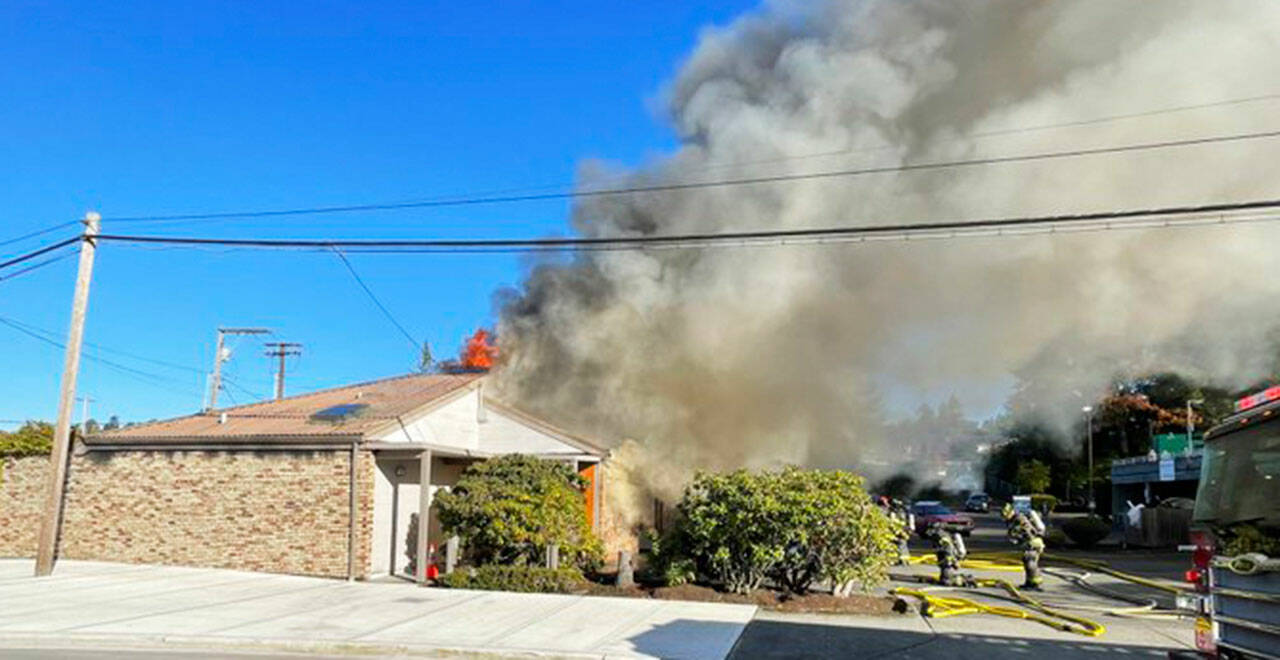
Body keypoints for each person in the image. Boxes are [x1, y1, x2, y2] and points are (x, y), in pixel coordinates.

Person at [1002, 503, 1046, 590]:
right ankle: (1029, 582)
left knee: (1031, 563)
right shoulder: (1014, 519)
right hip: (1029, 542)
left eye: (1006, 515)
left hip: (1033, 543)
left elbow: (1028, 530)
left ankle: (1035, 584)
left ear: (1011, 512)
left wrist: (1021, 538)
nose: (1005, 517)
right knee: (1027, 562)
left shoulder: (1020, 519)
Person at [926, 522, 966, 586]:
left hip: (949, 558)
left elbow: (949, 549)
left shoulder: (943, 537)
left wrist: (953, 561)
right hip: (945, 556)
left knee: (947, 569)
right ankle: (945, 578)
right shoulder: (939, 536)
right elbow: (938, 548)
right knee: (944, 569)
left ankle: (954, 580)